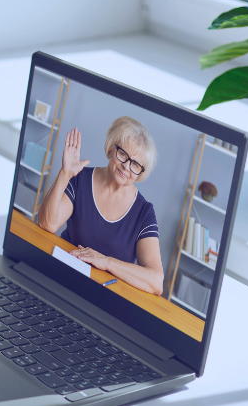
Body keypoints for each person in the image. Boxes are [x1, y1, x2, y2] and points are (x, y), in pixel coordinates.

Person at [35, 117, 164, 296]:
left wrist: (106, 262)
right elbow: (47, 223)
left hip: (105, 298)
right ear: (111, 149)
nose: (127, 166)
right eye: (123, 154)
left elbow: (156, 282)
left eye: (135, 164)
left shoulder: (144, 213)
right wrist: (65, 173)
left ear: (140, 173)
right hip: (62, 278)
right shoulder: (80, 178)